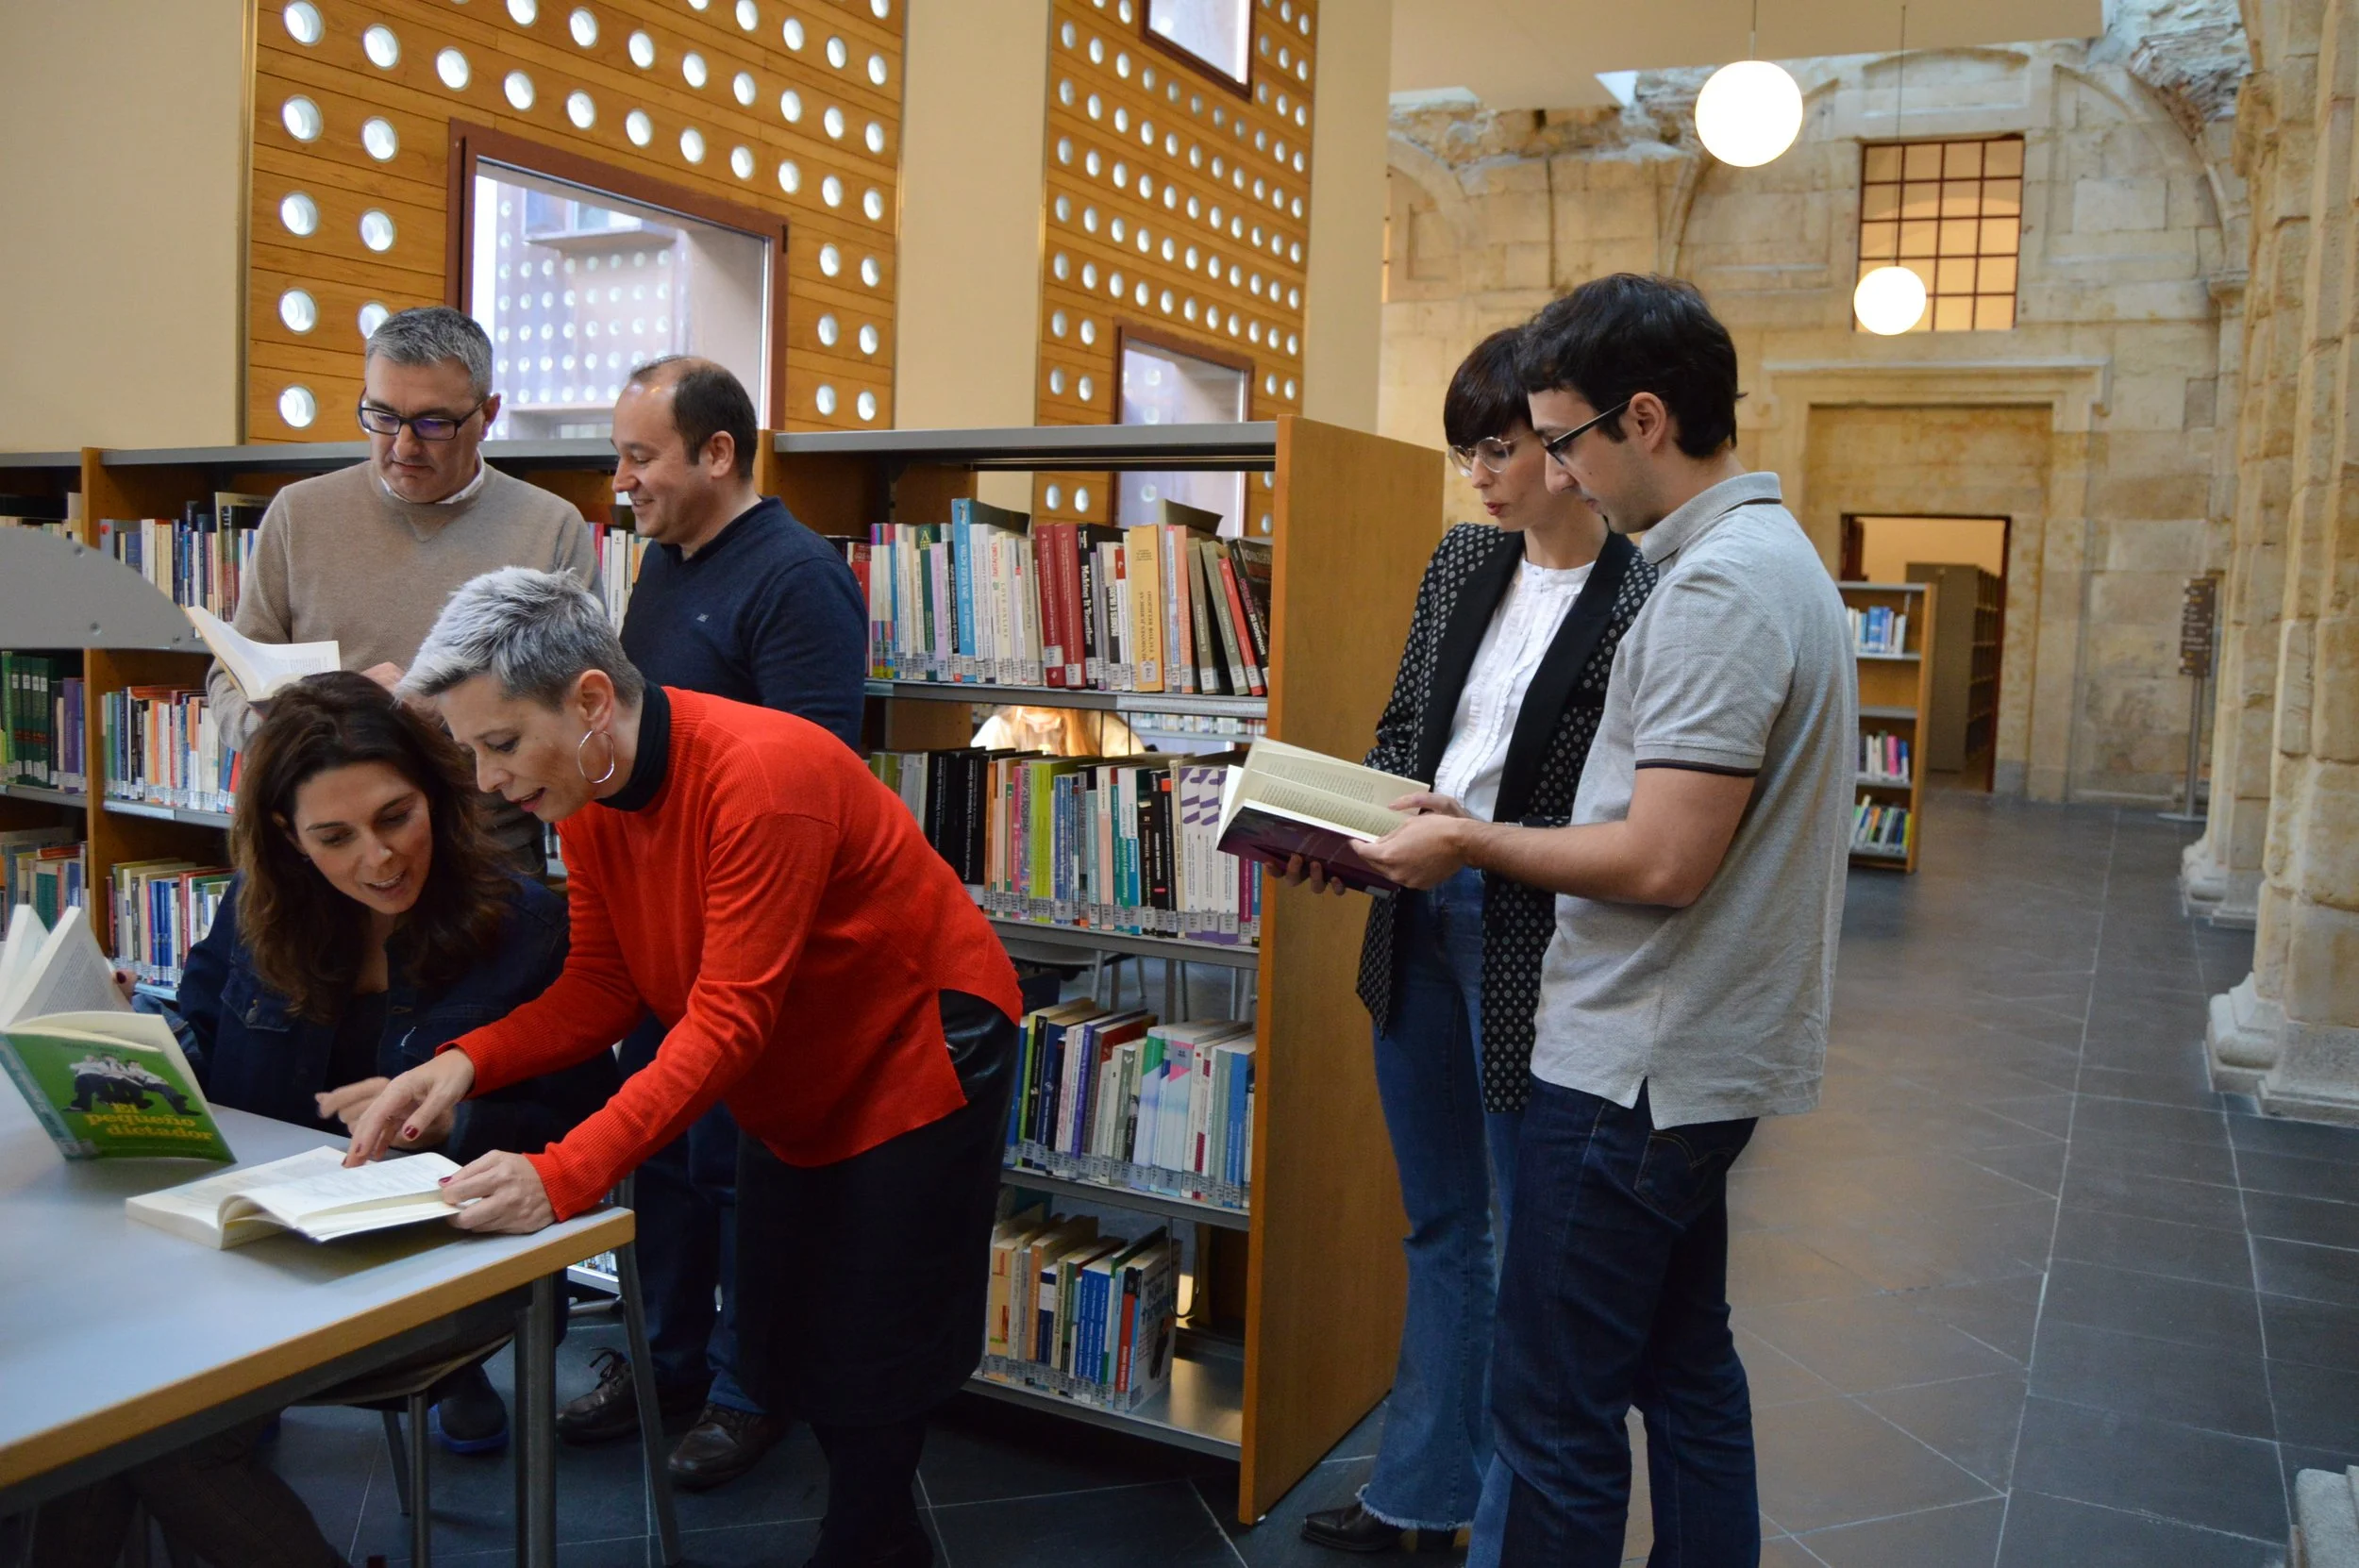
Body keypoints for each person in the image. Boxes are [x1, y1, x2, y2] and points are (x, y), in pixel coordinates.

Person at [350, 568, 1025, 1568]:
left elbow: (724, 1022)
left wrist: (562, 1175)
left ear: (588, 702)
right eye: (474, 752)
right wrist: (464, 1062)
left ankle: (872, 1543)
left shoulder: (760, 778)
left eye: (499, 745)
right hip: (799, 1059)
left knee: (877, 1341)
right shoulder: (582, 790)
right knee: (787, 1330)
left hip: (916, 1046)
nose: (490, 782)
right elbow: (603, 988)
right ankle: (877, 1531)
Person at [1358, 275, 1853, 1567]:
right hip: (1692, 1048)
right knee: (1685, 1370)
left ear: (1643, 420)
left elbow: (1665, 857)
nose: (1562, 473)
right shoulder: (1767, 559)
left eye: (1564, 439)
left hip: (1637, 1053)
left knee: (1555, 1414)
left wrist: (1465, 837)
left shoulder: (1710, 592)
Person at [1294, 329, 1656, 1557]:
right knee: (1441, 1222)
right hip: (1419, 922)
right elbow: (1409, 722)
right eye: (1468, 455)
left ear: (1566, 448)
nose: (1484, 477)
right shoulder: (1461, 561)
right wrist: (1361, 813)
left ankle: (1506, 1516)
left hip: (1533, 944)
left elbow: (1614, 805)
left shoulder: (1640, 595)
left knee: (1523, 1242)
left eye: (1500, 449)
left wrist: (1473, 837)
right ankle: (1419, 1494)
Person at [161, 672, 618, 1451]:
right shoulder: (256, 909)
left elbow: (588, 1129)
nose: (379, 859)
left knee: (177, 1442)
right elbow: (197, 1043)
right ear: (287, 837)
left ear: (435, 797)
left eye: (396, 818)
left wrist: (457, 1122)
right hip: (271, 1246)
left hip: (444, 1254)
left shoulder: (526, 929)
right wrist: (131, 1051)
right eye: (334, 838)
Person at [554, 356, 868, 1490]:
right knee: (670, 1166)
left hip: (751, 935)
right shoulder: (659, 566)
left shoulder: (796, 579)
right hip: (661, 927)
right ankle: (663, 1361)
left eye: (640, 456)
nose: (621, 480)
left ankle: (749, 1389)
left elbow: (814, 777)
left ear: (718, 453)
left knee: (742, 1178)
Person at [205, 305, 598, 865]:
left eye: (434, 423)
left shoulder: (551, 526)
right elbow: (230, 680)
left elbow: (571, 709)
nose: (404, 446)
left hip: (482, 860)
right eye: (382, 416)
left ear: (488, 415)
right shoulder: (300, 513)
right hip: (326, 860)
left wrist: (446, 711)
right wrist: (329, 724)